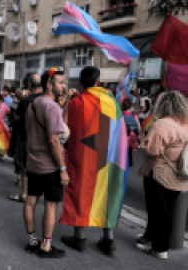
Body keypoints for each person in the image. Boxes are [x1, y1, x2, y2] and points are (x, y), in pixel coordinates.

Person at [60, 66, 128, 256]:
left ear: (81, 83)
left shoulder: (76, 103)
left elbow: (62, 127)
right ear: (98, 82)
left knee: (81, 192)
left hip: (83, 158)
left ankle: (79, 238)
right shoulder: (112, 101)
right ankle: (109, 240)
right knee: (108, 193)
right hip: (110, 160)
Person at [136, 91, 188, 259]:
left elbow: (152, 150)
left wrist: (143, 142)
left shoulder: (161, 124)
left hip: (159, 174)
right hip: (178, 175)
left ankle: (159, 249)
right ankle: (150, 238)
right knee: (166, 210)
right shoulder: (185, 123)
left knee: (158, 212)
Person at [23, 68, 68, 258]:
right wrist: (63, 168)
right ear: (49, 85)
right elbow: (54, 140)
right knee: (50, 206)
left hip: (33, 163)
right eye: (60, 83)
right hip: (49, 167)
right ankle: (45, 247)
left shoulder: (32, 105)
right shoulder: (52, 107)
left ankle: (32, 241)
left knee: (30, 201)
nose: (63, 86)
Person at [8, 73, 43, 203]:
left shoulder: (24, 102)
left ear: (29, 85)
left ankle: (24, 194)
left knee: (25, 166)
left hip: (26, 137)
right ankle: (37, 192)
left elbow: (16, 117)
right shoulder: (47, 100)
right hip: (42, 139)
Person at [121, 98, 141, 167]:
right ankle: (129, 163)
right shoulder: (133, 115)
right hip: (131, 137)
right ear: (131, 106)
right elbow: (138, 127)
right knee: (129, 151)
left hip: (123, 137)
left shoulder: (120, 115)